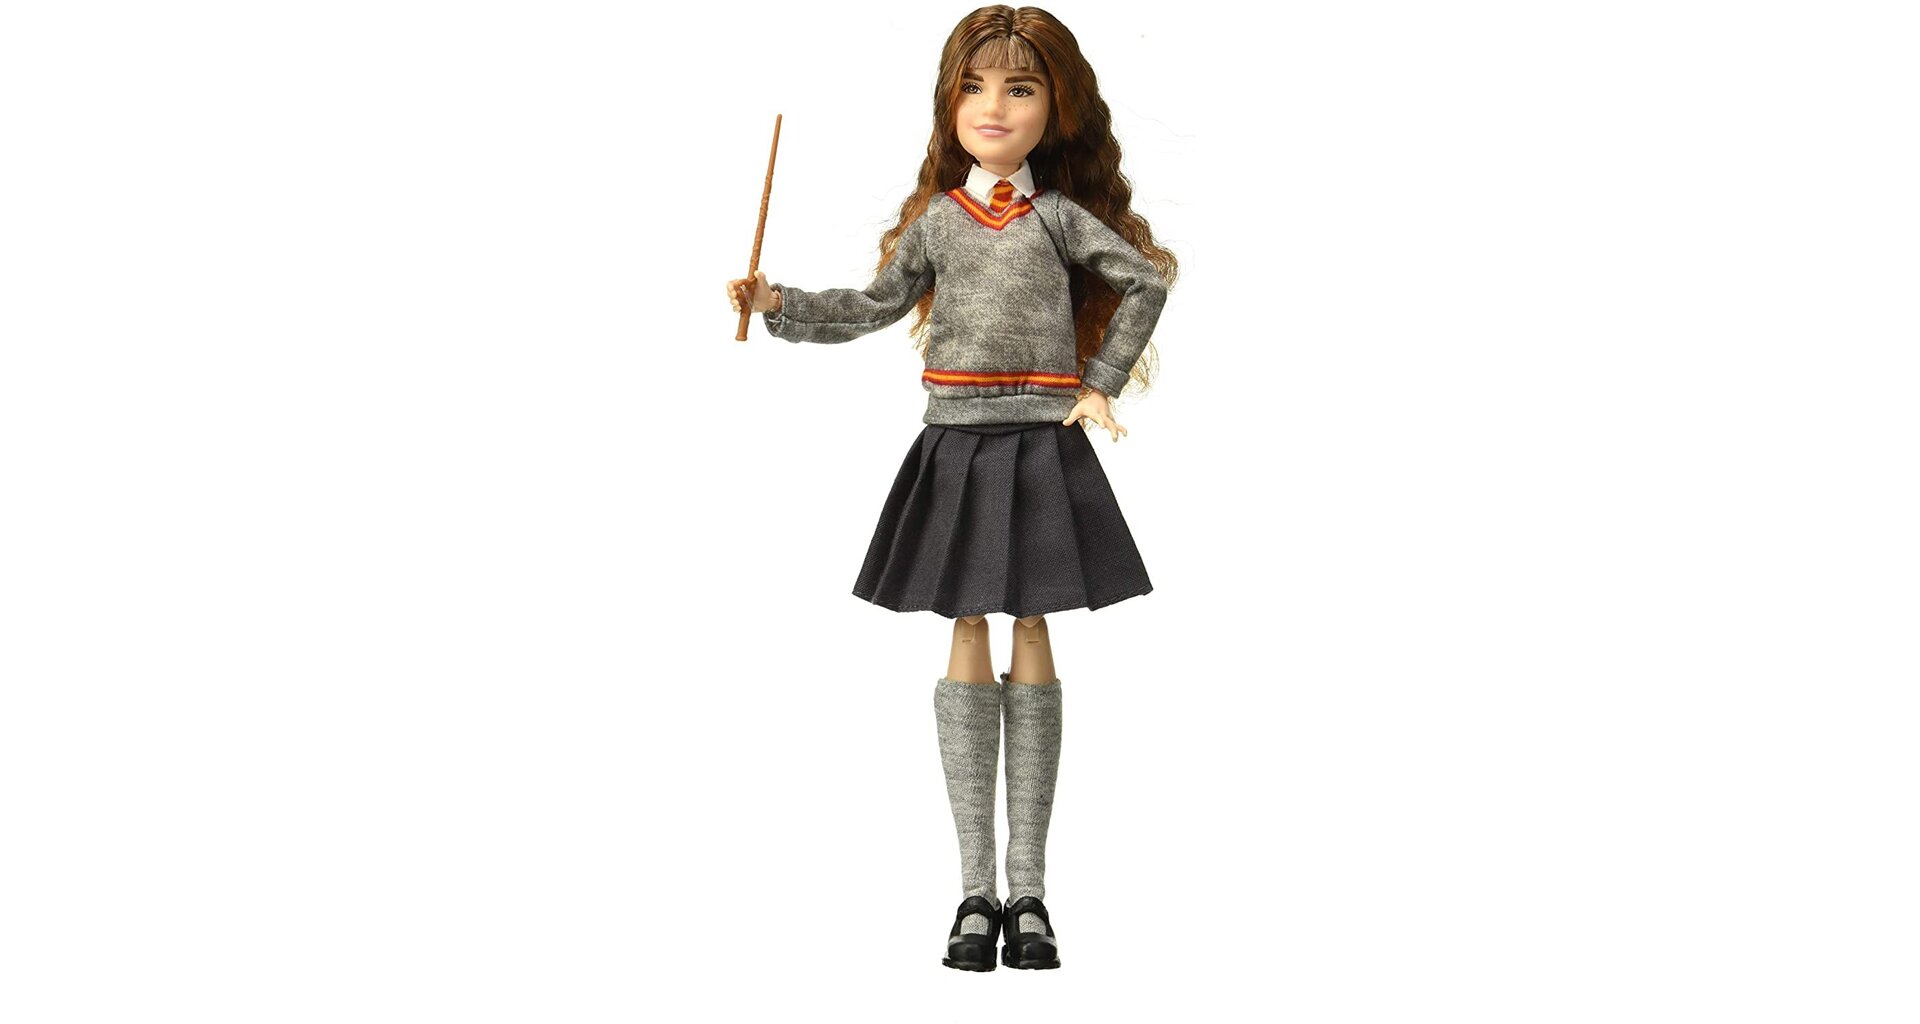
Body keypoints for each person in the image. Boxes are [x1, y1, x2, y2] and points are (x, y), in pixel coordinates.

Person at [725, 5, 1175, 972]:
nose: (993, 107)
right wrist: (779, 303)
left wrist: (1098, 383)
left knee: (1032, 627)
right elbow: (873, 304)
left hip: (1043, 442)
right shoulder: (939, 222)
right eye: (974, 87)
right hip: (958, 446)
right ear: (949, 103)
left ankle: (1030, 892)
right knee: (968, 624)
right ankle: (976, 890)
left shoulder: (1057, 217)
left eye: (1019, 87)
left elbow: (1145, 282)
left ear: (1056, 108)